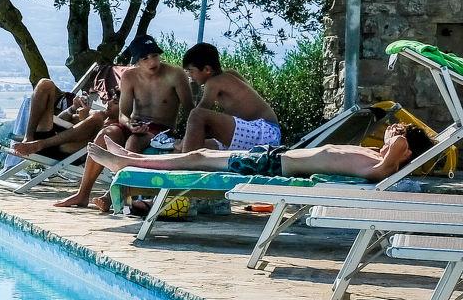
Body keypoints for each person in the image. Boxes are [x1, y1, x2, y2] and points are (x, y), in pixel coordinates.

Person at [53, 36, 192, 209]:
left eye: (155, 55)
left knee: (133, 141)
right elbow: (123, 114)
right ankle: (83, 194)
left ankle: (111, 195)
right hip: (134, 124)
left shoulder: (175, 75)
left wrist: (184, 137)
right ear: (136, 62)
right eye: (145, 58)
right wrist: (129, 124)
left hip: (161, 129)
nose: (152, 61)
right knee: (104, 136)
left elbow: (190, 110)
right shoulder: (129, 76)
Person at [87, 121, 434, 183]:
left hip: (273, 165)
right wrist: (395, 141)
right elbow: (396, 149)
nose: (390, 134)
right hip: (275, 156)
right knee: (200, 157)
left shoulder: (382, 168)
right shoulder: (376, 158)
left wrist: (401, 139)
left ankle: (127, 161)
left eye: (396, 135)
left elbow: (399, 151)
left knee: (198, 158)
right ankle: (129, 158)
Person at [177, 42, 280, 153]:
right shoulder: (230, 75)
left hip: (264, 132)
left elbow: (200, 112)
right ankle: (183, 157)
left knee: (196, 115)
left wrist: (182, 144)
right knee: (198, 144)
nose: (189, 76)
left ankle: (184, 162)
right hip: (263, 134)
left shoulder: (214, 82)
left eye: (191, 71)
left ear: (207, 69)